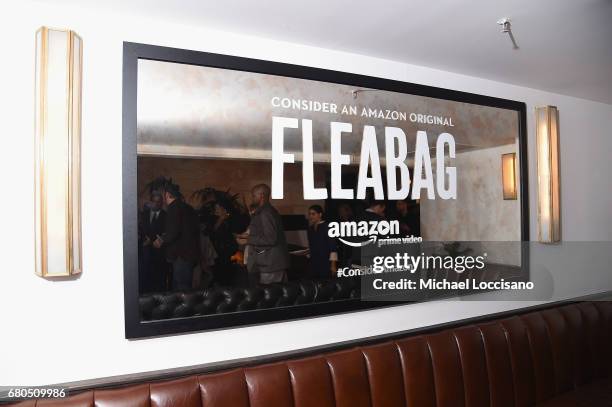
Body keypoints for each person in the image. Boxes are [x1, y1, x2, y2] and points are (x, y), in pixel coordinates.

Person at [153, 183, 200, 290]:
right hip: (190, 254)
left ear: (167, 195)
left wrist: (161, 240)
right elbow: (187, 230)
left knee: (181, 288)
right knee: (184, 286)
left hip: (180, 255)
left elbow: (173, 233)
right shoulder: (188, 207)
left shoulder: (173, 208)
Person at [245, 184, 289, 285]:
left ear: (261, 196)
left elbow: (270, 239)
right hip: (269, 264)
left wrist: (248, 239)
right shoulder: (266, 211)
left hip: (270, 265)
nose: (252, 198)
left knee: (272, 296)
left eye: (253, 196)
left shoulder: (266, 212)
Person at [140, 192, 168, 292]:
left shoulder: (166, 215)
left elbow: (167, 233)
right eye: (154, 201)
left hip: (160, 252)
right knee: (146, 276)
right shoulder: (144, 214)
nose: (156, 204)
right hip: (146, 251)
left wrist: (152, 241)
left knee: (159, 278)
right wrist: (144, 239)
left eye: (159, 201)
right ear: (150, 202)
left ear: (162, 203)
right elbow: (140, 230)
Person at [306, 205, 338, 278]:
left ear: (320, 214)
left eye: (313, 214)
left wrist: (333, 265)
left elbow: (333, 247)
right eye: (309, 214)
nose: (310, 216)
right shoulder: (310, 229)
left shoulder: (327, 227)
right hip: (314, 262)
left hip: (325, 262)